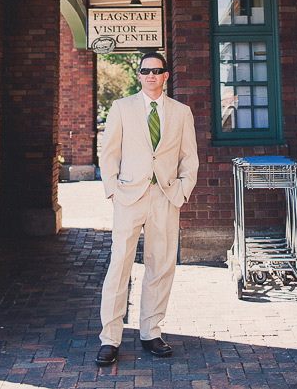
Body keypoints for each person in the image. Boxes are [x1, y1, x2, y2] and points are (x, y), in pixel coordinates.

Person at [96, 51, 199, 366]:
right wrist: (112, 189)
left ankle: (151, 332)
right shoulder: (121, 108)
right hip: (129, 197)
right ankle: (110, 338)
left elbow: (189, 157)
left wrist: (181, 191)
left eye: (157, 70)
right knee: (119, 267)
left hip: (165, 198)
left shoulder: (181, 112)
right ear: (139, 75)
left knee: (161, 265)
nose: (151, 75)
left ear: (166, 75)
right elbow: (109, 152)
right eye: (145, 71)